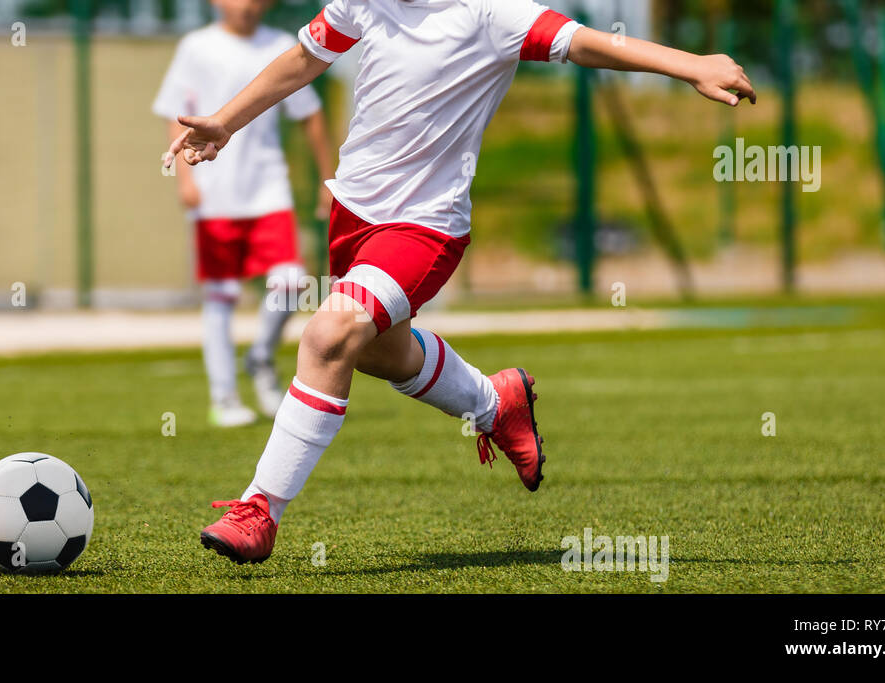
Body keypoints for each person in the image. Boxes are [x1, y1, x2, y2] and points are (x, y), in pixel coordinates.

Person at [166, 0, 756, 563]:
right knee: (375, 352)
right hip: (352, 219)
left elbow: (593, 45)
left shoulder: (494, 14)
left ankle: (259, 510)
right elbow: (304, 59)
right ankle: (493, 403)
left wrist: (692, 65)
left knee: (327, 337)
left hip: (424, 229)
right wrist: (225, 121)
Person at [152, 0, 336, 427]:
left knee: (291, 283)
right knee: (221, 297)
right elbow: (173, 113)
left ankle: (259, 359)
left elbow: (310, 114)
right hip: (213, 193)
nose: (246, 5)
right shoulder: (195, 46)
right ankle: (224, 397)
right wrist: (184, 179)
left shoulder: (284, 48)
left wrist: (328, 177)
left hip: (268, 190)